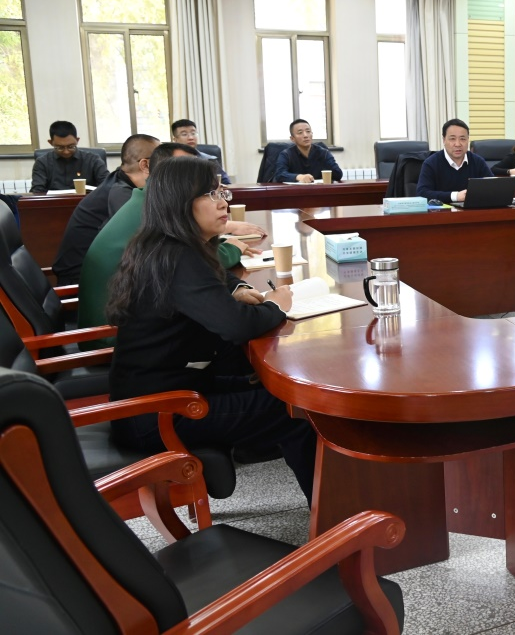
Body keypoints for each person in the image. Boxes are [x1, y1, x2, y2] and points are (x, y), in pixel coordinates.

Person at [106, 158, 316, 502]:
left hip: (161, 394)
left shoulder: (165, 246)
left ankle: (323, 502)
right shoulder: (178, 257)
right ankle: (333, 519)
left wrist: (234, 292)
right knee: (298, 411)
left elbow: (212, 287)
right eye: (210, 194)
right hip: (159, 413)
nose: (223, 203)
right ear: (179, 201)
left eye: (221, 192)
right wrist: (276, 305)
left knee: (271, 387)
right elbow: (236, 325)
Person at [77, 143, 266, 348]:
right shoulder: (154, 215)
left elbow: (201, 260)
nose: (193, 173)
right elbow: (194, 265)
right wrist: (273, 303)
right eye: (184, 167)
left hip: (142, 326)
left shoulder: (152, 204)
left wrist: (236, 287)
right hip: (111, 334)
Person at [51, 133, 160, 285]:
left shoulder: (120, 181)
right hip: (83, 280)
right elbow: (143, 241)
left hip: (100, 273)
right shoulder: (120, 192)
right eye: (162, 160)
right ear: (145, 164)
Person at [416, 118, 493, 203]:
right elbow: (422, 193)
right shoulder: (431, 163)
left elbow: (493, 187)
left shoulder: (478, 161)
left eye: (462, 139)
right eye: (452, 139)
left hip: (472, 210)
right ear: (444, 140)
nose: (458, 144)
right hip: (443, 210)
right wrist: (455, 196)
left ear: (468, 140)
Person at [30, 120, 109, 194]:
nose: (66, 151)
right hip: (54, 203)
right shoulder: (42, 162)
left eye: (71, 146)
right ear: (51, 142)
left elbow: (108, 185)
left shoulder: (93, 160)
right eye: (60, 147)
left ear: (77, 140)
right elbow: (37, 191)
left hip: (88, 202)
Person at [274, 119, 343, 183]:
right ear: (292, 138)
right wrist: (299, 177)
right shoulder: (286, 155)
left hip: (318, 190)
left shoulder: (323, 153)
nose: (305, 135)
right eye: (300, 132)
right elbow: (279, 174)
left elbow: (338, 174)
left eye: (308, 131)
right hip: (295, 191)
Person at [171, 118, 230, 184]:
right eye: (184, 134)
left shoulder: (209, 160)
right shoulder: (169, 162)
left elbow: (226, 183)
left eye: (193, 133)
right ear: (175, 140)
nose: (191, 137)